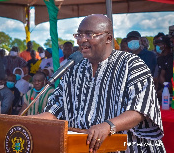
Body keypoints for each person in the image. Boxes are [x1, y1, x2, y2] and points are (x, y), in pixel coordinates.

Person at [32, 14, 165, 152]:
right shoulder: (73, 70)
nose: (82, 40)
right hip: (85, 147)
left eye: (89, 34)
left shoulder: (132, 64)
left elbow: (139, 110)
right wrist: (29, 122)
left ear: (108, 38)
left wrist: (108, 126)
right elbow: (54, 111)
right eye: (79, 35)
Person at [155, 36, 173, 102]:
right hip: (160, 95)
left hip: (169, 96)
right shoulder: (160, 59)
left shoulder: (172, 59)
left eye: (159, 44)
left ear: (164, 46)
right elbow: (158, 78)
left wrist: (165, 90)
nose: (156, 47)